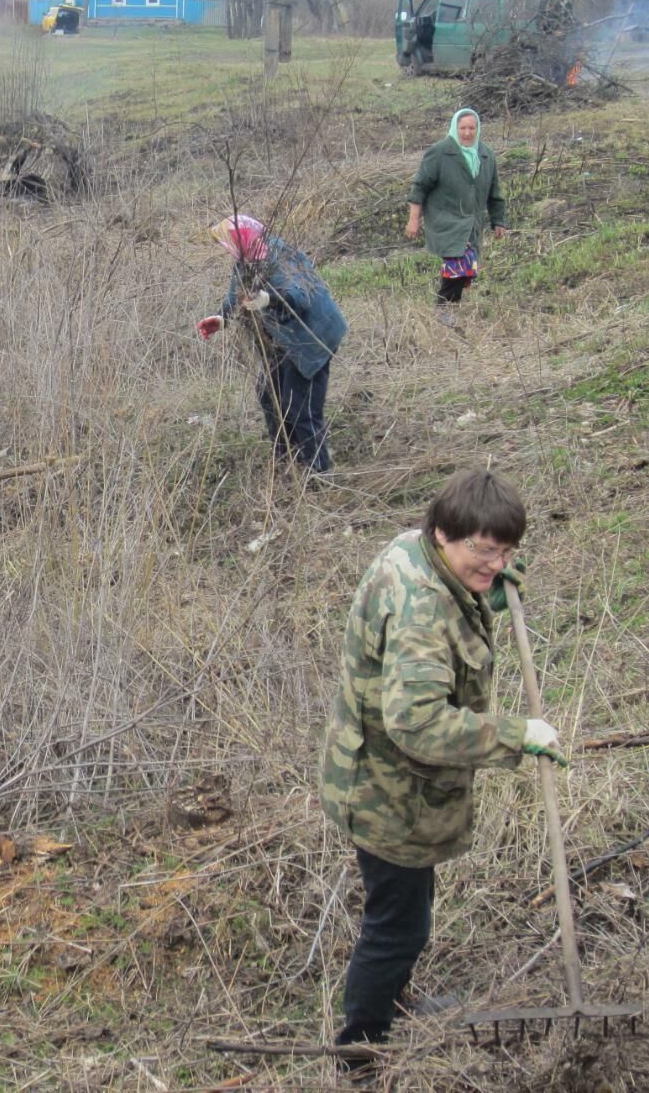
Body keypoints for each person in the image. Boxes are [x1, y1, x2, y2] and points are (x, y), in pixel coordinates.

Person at [320, 470, 564, 1052]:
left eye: (506, 552)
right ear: (444, 533)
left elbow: (462, 594)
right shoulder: (422, 609)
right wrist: (514, 734)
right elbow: (419, 723)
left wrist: (484, 585)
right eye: (484, 551)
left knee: (406, 913)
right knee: (397, 927)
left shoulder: (420, 552)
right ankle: (362, 1048)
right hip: (387, 794)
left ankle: (392, 1001)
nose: (497, 564)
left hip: (390, 783)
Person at [196, 214, 347, 473]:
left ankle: (319, 473)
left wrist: (269, 299)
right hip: (283, 340)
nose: (227, 248)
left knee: (300, 408)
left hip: (312, 338)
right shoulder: (246, 260)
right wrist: (221, 319)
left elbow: (300, 298)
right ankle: (286, 458)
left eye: (229, 242)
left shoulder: (280, 259)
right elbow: (236, 294)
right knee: (269, 394)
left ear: (244, 239)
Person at [407, 109, 506, 323]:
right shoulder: (440, 152)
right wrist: (414, 219)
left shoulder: (486, 155)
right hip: (446, 221)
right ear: (455, 128)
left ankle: (448, 309)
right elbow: (420, 187)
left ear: (478, 129)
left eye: (472, 128)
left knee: (466, 269)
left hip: (472, 223)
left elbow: (494, 193)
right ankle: (443, 309)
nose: (467, 133)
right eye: (463, 128)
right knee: (460, 263)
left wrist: (498, 221)